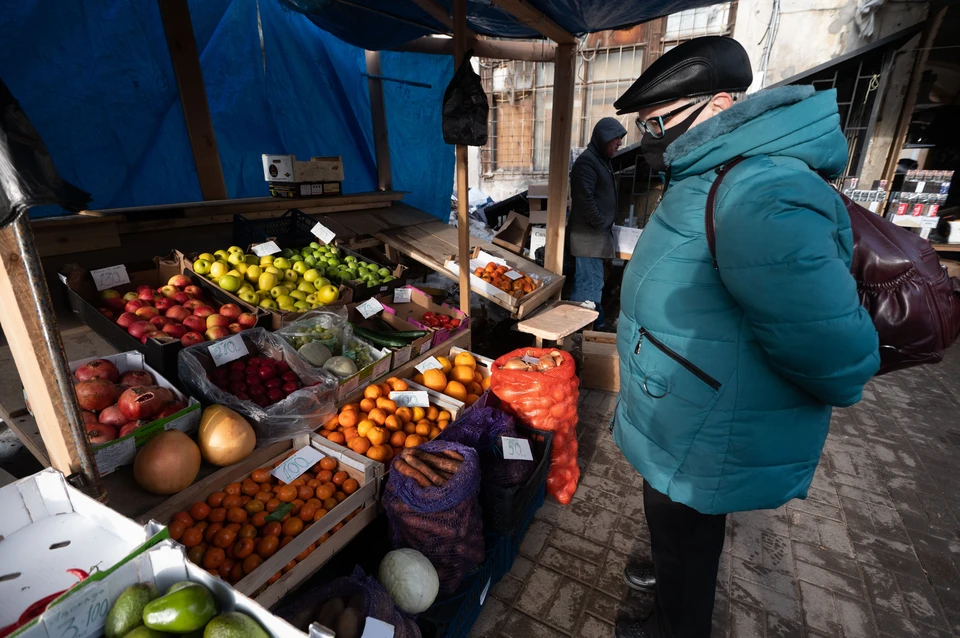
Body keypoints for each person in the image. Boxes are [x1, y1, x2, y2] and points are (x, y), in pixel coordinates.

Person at [610, 36, 880, 638]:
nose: (649, 137)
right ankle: (669, 612)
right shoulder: (717, 171)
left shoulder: (759, 191)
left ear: (721, 103)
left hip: (706, 426)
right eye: (645, 124)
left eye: (659, 121)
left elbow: (835, 349)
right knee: (678, 546)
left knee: (687, 553)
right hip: (684, 418)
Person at [568, 117, 627, 328]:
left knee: (591, 283)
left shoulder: (600, 160)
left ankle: (589, 327)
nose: (620, 143)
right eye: (616, 139)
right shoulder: (587, 162)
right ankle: (584, 330)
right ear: (604, 138)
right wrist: (601, 223)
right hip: (589, 238)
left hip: (594, 238)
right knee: (589, 285)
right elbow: (583, 199)